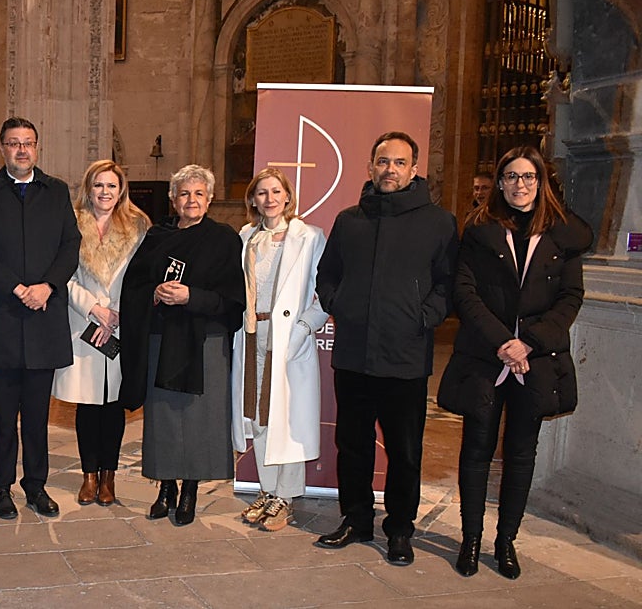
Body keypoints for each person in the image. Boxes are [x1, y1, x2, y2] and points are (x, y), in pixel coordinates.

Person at [438, 146, 591, 579]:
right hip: (486, 356)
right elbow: (464, 292)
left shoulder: (562, 235)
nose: (519, 185)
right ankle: (470, 540)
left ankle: (506, 542)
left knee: (521, 453)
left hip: (536, 361)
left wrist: (529, 344)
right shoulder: (480, 230)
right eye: (510, 176)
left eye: (527, 177)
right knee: (476, 449)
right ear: (499, 183)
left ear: (541, 183)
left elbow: (570, 298)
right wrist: (504, 343)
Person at [314, 132, 458, 565]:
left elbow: (448, 283)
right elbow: (327, 274)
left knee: (404, 451)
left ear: (414, 169)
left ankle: (399, 530)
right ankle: (356, 520)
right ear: (370, 167)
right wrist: (340, 304)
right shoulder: (349, 221)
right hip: (354, 355)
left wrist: (422, 316)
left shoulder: (439, 222)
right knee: (352, 445)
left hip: (405, 357)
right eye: (382, 161)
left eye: (399, 162)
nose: (389, 169)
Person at [0, 117, 80, 520]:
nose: (22, 150)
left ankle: (36, 486)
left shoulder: (56, 191)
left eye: (28, 143)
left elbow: (70, 245)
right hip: (2, 319)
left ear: (37, 148)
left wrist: (47, 286)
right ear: (3, 149)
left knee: (37, 417)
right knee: (2, 417)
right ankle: (0, 487)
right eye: (14, 143)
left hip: (43, 318)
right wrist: (16, 287)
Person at [120, 164, 245, 526]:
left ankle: (190, 489)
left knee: (199, 419)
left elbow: (233, 298)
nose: (192, 200)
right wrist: (155, 292)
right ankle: (166, 488)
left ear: (210, 198)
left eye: (199, 193)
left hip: (206, 341)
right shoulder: (156, 237)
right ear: (173, 199)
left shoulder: (223, 239)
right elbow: (134, 287)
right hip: (161, 338)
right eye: (184, 194)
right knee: (163, 419)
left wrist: (192, 296)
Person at [229, 167, 329, 532]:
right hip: (252, 333)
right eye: (262, 193)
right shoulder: (246, 237)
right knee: (259, 416)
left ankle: (285, 496)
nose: (269, 199)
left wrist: (303, 329)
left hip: (287, 338)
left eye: (275, 191)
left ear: (287, 196)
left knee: (287, 418)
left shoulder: (309, 237)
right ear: (253, 199)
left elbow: (326, 292)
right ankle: (268, 490)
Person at [52, 160, 150, 506]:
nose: (105, 192)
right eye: (98, 185)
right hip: (84, 324)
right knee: (88, 405)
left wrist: (118, 313)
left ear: (121, 190)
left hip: (122, 325)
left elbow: (143, 277)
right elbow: (62, 275)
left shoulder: (139, 226)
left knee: (114, 405)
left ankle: (109, 478)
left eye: (111, 185)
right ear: (88, 189)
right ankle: (89, 476)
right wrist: (94, 308)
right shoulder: (70, 224)